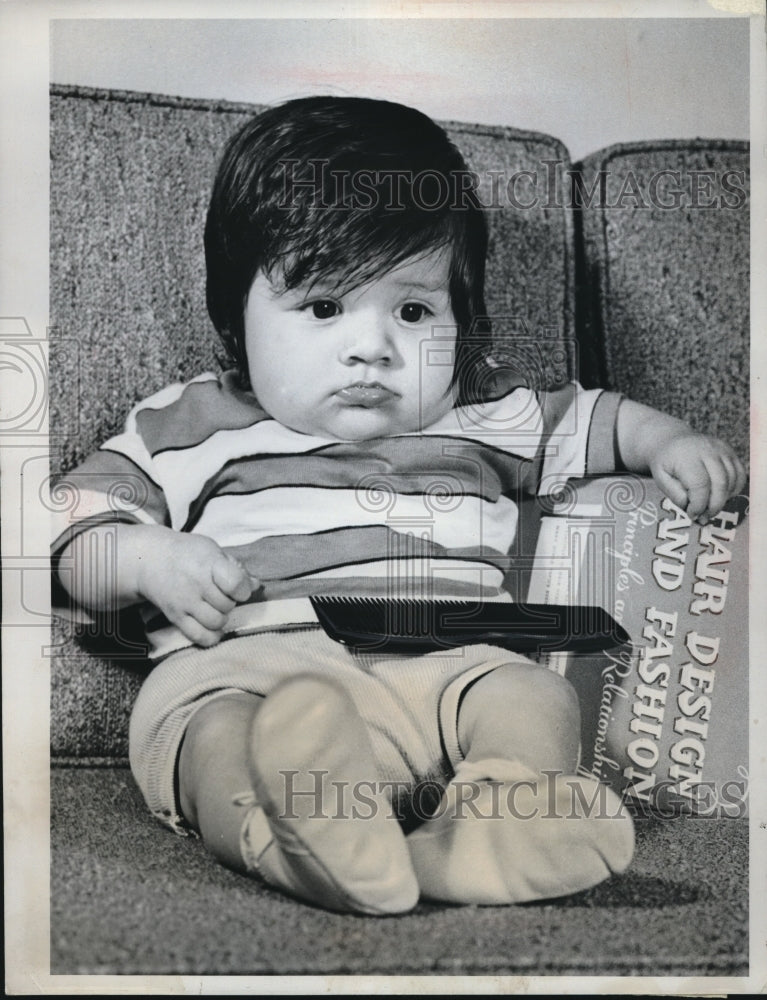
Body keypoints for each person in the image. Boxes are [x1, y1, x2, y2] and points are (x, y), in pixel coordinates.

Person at [52, 96, 746, 916]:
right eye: (322, 307)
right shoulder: (191, 420)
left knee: (531, 698)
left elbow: (609, 421)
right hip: (250, 669)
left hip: (445, 672)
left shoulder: (484, 415)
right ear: (235, 313)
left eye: (413, 311)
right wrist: (145, 559)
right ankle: (291, 832)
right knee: (215, 732)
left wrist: (670, 444)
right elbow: (67, 524)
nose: (371, 347)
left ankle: (496, 820)